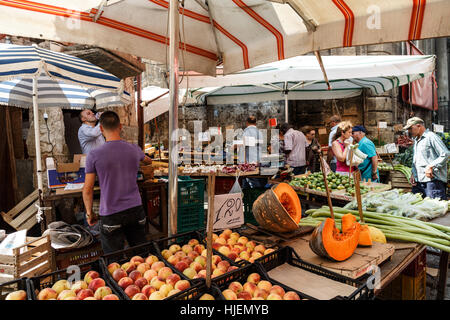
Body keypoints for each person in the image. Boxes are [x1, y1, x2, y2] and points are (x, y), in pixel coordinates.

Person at [82, 111, 153, 254]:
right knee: (141, 257)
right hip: (135, 210)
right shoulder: (134, 149)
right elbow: (148, 161)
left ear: (101, 129)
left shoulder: (93, 155)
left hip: (111, 213)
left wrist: (90, 214)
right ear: (120, 127)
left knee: (114, 261)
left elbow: (87, 189)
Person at [404, 117, 449, 200]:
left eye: (410, 128)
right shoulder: (417, 140)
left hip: (433, 181)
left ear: (419, 126)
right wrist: (413, 174)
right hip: (419, 181)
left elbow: (445, 154)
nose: (409, 131)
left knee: (435, 208)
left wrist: (431, 166)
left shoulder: (431, 137)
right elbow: (417, 159)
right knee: (419, 207)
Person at [241, 116, 267, 188]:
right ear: (255, 123)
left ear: (247, 123)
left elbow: (243, 148)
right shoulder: (260, 133)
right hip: (259, 161)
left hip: (249, 163)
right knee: (258, 180)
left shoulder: (246, 132)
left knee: (250, 183)